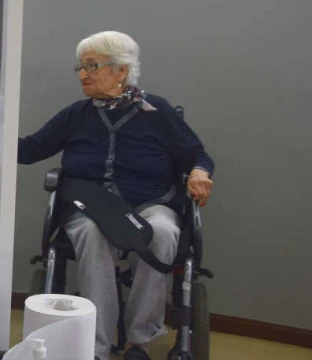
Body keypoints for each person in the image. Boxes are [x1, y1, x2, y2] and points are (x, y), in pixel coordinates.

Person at [17, 31, 215, 360]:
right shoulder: (76, 115)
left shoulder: (157, 112)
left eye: (91, 66)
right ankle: (96, 344)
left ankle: (139, 341)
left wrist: (199, 172)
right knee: (92, 233)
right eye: (80, 67)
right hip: (91, 207)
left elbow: (197, 155)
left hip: (151, 204)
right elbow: (28, 150)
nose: (82, 74)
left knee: (163, 232)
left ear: (121, 70)